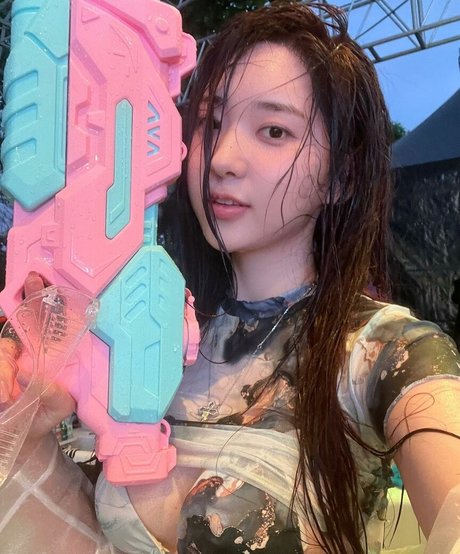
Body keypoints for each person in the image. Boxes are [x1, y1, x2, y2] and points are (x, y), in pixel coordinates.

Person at [1, 2, 460, 553]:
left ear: (341, 175)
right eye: (211, 123)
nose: (221, 157)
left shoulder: (385, 352)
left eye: (273, 130)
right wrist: (29, 431)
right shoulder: (148, 337)